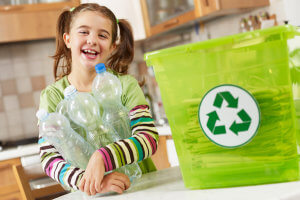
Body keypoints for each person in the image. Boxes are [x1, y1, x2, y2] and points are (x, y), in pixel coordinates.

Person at [38, 3, 158, 196]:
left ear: (112, 46)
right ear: (67, 39)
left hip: (142, 190)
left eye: (102, 35)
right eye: (83, 32)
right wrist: (90, 181)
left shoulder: (126, 85)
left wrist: (104, 156)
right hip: (92, 194)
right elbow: (49, 157)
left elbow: (148, 138)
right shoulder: (52, 96)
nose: (92, 40)